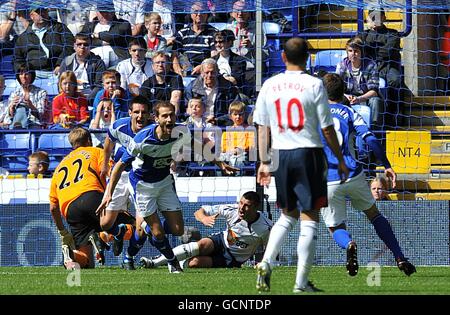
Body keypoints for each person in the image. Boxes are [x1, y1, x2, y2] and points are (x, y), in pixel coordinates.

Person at [252, 37, 349, 293]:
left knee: (287, 214)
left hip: (281, 155)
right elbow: (327, 129)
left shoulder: (270, 85)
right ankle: (301, 283)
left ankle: (265, 263)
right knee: (310, 218)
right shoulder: (314, 84)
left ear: (283, 57)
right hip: (308, 153)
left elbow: (262, 126)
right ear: (308, 58)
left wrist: (264, 161)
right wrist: (340, 159)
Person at [97, 101, 238, 273]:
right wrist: (108, 193)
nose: (169, 119)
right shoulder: (143, 139)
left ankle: (149, 228)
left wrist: (220, 163)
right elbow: (119, 165)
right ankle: (172, 261)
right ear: (156, 119)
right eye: (164, 116)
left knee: (177, 230)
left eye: (171, 115)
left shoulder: (181, 132)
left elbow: (197, 145)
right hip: (143, 186)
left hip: (164, 182)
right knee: (157, 233)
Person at [319, 73, 416, 277]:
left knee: (335, 226)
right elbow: (370, 140)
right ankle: (400, 256)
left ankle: (349, 244)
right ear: (342, 91)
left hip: (328, 179)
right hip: (354, 174)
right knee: (374, 214)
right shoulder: (349, 112)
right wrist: (386, 165)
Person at [140, 191, 273, 269]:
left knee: (194, 263)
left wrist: (264, 262)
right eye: (241, 203)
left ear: (256, 207)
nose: (241, 208)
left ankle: (174, 262)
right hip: (221, 240)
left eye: (247, 206)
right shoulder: (231, 210)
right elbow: (200, 211)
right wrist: (204, 218)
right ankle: (154, 262)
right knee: (202, 244)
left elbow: (270, 247)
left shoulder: (266, 227)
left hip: (233, 259)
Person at [96, 95, 153, 270]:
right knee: (105, 224)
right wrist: (105, 165)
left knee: (143, 227)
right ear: (130, 113)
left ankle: (129, 256)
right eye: (136, 112)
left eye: (144, 112)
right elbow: (108, 142)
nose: (140, 116)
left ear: (149, 114)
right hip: (119, 175)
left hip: (142, 178)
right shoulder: (119, 126)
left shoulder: (154, 130)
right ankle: (119, 232)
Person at [48, 127, 111, 269]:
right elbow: (111, 173)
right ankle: (103, 236)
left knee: (86, 261)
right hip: (91, 196)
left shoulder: (59, 166)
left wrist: (63, 232)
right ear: (89, 140)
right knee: (131, 225)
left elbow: (53, 207)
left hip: (70, 209)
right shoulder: (96, 151)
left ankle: (71, 254)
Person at [359, 7, 403, 128]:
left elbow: (386, 52)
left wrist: (370, 49)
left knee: (394, 80)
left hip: (388, 67)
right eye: (373, 17)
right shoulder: (364, 34)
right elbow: (358, 49)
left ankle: (393, 119)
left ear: (384, 17)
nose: (376, 19)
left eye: (378, 16)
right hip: (369, 68)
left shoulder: (393, 33)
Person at [336, 36, 383, 129]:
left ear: (362, 52)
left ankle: (374, 130)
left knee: (376, 101)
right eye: (350, 51)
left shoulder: (370, 65)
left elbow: (374, 91)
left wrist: (359, 99)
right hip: (347, 97)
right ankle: (342, 128)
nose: (353, 54)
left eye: (356, 51)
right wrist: (345, 96)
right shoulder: (342, 65)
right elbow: (336, 88)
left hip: (365, 97)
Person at [14, 6, 74, 74]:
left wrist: (60, 64)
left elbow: (69, 46)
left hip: (59, 71)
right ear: (31, 16)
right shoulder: (23, 37)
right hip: (33, 74)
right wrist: (24, 73)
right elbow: (17, 59)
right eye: (38, 12)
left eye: (44, 11)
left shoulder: (60, 28)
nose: (42, 14)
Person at [184, 58, 240, 125]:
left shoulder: (229, 88)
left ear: (217, 72)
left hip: (221, 125)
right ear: (201, 73)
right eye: (206, 72)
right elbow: (185, 111)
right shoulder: (192, 88)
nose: (209, 75)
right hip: (197, 124)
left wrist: (217, 120)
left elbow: (236, 110)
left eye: (212, 72)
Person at [172, 1, 217, 76]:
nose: (199, 14)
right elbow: (174, 55)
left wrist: (202, 67)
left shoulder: (214, 33)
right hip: (185, 72)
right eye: (196, 11)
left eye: (202, 12)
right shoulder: (182, 33)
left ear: (207, 14)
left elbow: (215, 56)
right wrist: (178, 70)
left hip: (206, 73)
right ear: (191, 14)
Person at [59, 33, 106, 105]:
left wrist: (85, 101)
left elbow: (99, 86)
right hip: (70, 99)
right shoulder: (66, 62)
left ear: (90, 46)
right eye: (79, 44)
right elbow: (60, 83)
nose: (82, 47)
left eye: (86, 44)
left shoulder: (98, 63)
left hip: (90, 100)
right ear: (74, 46)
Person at [139, 52, 184, 116]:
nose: (160, 65)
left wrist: (171, 117)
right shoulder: (147, 84)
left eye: (163, 62)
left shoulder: (175, 78)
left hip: (171, 117)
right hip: (153, 118)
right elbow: (142, 104)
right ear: (152, 66)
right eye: (157, 62)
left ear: (169, 64)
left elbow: (176, 98)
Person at [220, 100, 256, 174]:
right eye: (235, 114)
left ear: (245, 115)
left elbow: (251, 145)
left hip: (243, 154)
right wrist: (230, 150)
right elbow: (223, 147)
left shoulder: (250, 129)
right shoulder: (227, 130)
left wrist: (240, 149)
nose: (238, 117)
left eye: (240, 114)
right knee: (220, 162)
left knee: (239, 162)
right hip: (229, 154)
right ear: (230, 116)